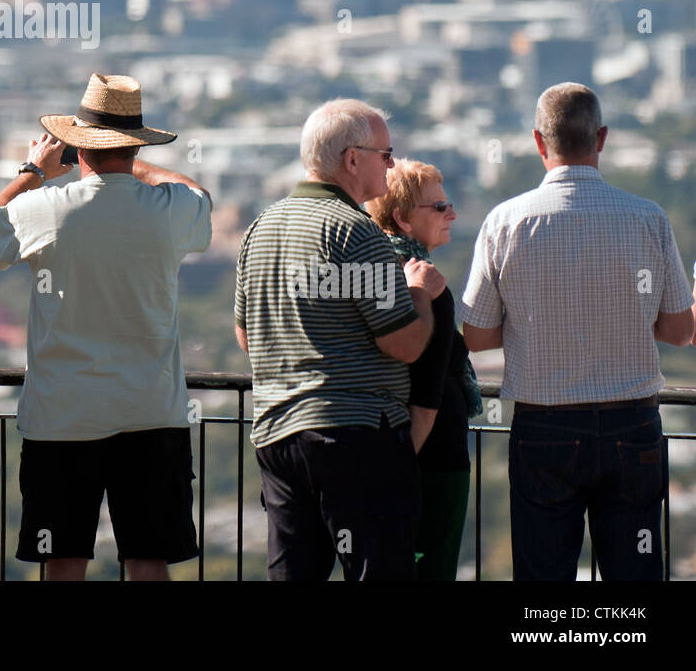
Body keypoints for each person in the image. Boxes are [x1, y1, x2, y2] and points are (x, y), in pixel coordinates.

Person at [0, 73, 212, 581]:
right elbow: (198, 195)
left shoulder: (46, 210)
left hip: (62, 414)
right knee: (148, 559)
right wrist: (138, 164)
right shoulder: (166, 212)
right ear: (133, 145)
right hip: (152, 410)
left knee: (63, 560)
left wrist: (34, 172)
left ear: (79, 147)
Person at [461, 82, 695, 581]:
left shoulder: (504, 222)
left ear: (539, 142)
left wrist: (532, 319)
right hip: (633, 428)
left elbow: (476, 338)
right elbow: (679, 332)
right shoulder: (649, 219)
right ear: (602, 138)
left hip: (543, 429)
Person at [235, 98, 445, 581]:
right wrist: (420, 295)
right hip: (356, 438)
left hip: (277, 433)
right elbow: (406, 344)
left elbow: (246, 337)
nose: (391, 165)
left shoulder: (259, 228)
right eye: (386, 154)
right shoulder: (355, 232)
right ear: (353, 160)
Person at [367, 158, 481, 580]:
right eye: (438, 207)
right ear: (402, 218)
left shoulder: (373, 274)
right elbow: (426, 400)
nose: (451, 213)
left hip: (390, 446)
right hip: (432, 459)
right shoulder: (426, 285)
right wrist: (394, 471)